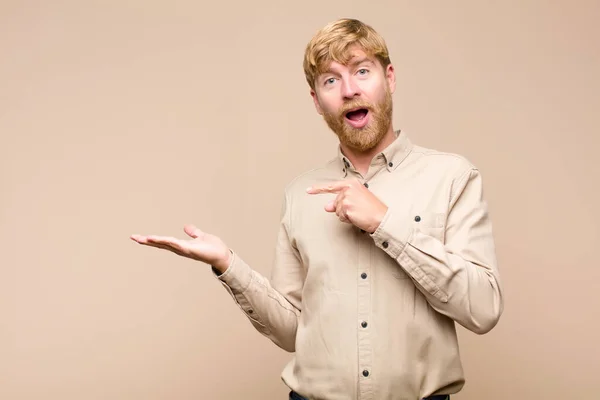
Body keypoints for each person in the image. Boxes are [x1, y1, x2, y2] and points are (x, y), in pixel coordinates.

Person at [131, 18, 503, 400]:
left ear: (389, 78)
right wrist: (228, 264)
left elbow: (483, 309)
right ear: (316, 101)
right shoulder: (299, 195)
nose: (349, 90)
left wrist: (385, 223)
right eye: (330, 80)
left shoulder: (453, 177)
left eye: (362, 71)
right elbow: (294, 331)